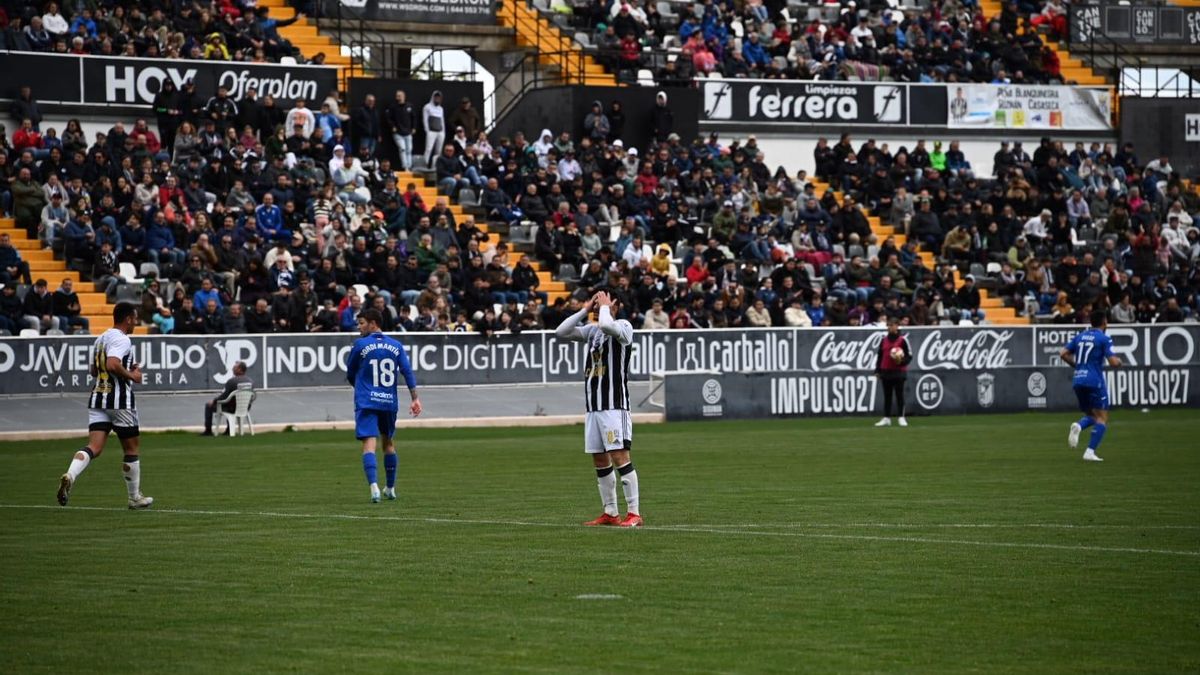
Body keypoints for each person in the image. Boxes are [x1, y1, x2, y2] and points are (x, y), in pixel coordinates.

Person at [553, 289, 642, 528]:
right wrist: (584, 309)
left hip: (614, 406)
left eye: (605, 299)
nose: (600, 303)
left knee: (620, 456)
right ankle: (610, 512)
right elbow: (560, 331)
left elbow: (607, 325)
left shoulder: (623, 326)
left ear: (617, 304)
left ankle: (634, 513)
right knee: (600, 460)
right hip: (593, 407)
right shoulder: (592, 332)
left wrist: (604, 307)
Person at [56, 303, 153, 509]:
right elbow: (111, 364)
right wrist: (132, 376)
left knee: (94, 447)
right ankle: (134, 497)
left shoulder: (100, 339)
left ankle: (70, 475)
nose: (135, 323)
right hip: (119, 401)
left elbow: (93, 370)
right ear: (128, 319)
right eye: (134, 319)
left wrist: (125, 367)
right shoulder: (122, 338)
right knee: (131, 448)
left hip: (98, 398)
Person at [345, 308, 422, 503]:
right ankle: (390, 487)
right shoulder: (396, 345)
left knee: (369, 444)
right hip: (388, 402)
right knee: (388, 443)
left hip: (367, 402)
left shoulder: (360, 345)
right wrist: (415, 398)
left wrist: (362, 388)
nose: (359, 327)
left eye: (362, 323)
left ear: (373, 323)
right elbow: (407, 372)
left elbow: (350, 373)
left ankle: (374, 488)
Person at [1061, 310, 1122, 462]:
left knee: (1091, 415)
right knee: (1102, 417)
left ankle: (1079, 426)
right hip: (1094, 381)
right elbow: (1114, 362)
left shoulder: (1080, 336)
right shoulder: (1104, 339)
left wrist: (1077, 366)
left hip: (1078, 381)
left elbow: (1063, 353)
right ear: (1105, 322)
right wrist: (1120, 361)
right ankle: (1089, 452)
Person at [873, 318, 911, 427]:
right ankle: (886, 418)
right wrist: (877, 370)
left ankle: (901, 417)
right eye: (889, 325)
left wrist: (901, 361)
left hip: (899, 371)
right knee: (887, 396)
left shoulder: (902, 340)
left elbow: (909, 356)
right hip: (885, 371)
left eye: (893, 325)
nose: (891, 327)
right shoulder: (883, 340)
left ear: (897, 326)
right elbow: (880, 356)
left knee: (899, 395)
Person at [202, 361, 253, 436]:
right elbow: (252, 396)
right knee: (230, 402)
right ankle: (229, 430)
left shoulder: (232, 381)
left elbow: (223, 396)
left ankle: (208, 431)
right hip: (245, 408)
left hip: (232, 409)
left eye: (235, 367)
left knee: (209, 406)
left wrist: (214, 401)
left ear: (240, 369)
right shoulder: (250, 381)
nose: (232, 369)